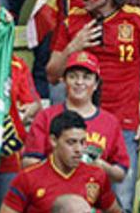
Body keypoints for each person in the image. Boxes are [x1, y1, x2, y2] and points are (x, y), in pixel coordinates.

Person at [0, 110, 122, 213]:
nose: (78, 150)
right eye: (71, 142)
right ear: (53, 141)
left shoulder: (96, 176)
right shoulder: (29, 178)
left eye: (82, 142)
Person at [24, 51, 129, 197]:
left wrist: (100, 166)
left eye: (86, 77)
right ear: (64, 80)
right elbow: (28, 162)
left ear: (96, 83)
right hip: (52, 203)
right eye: (73, 76)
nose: (79, 82)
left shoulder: (110, 122)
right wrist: (58, 162)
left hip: (94, 208)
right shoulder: (46, 117)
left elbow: (121, 173)